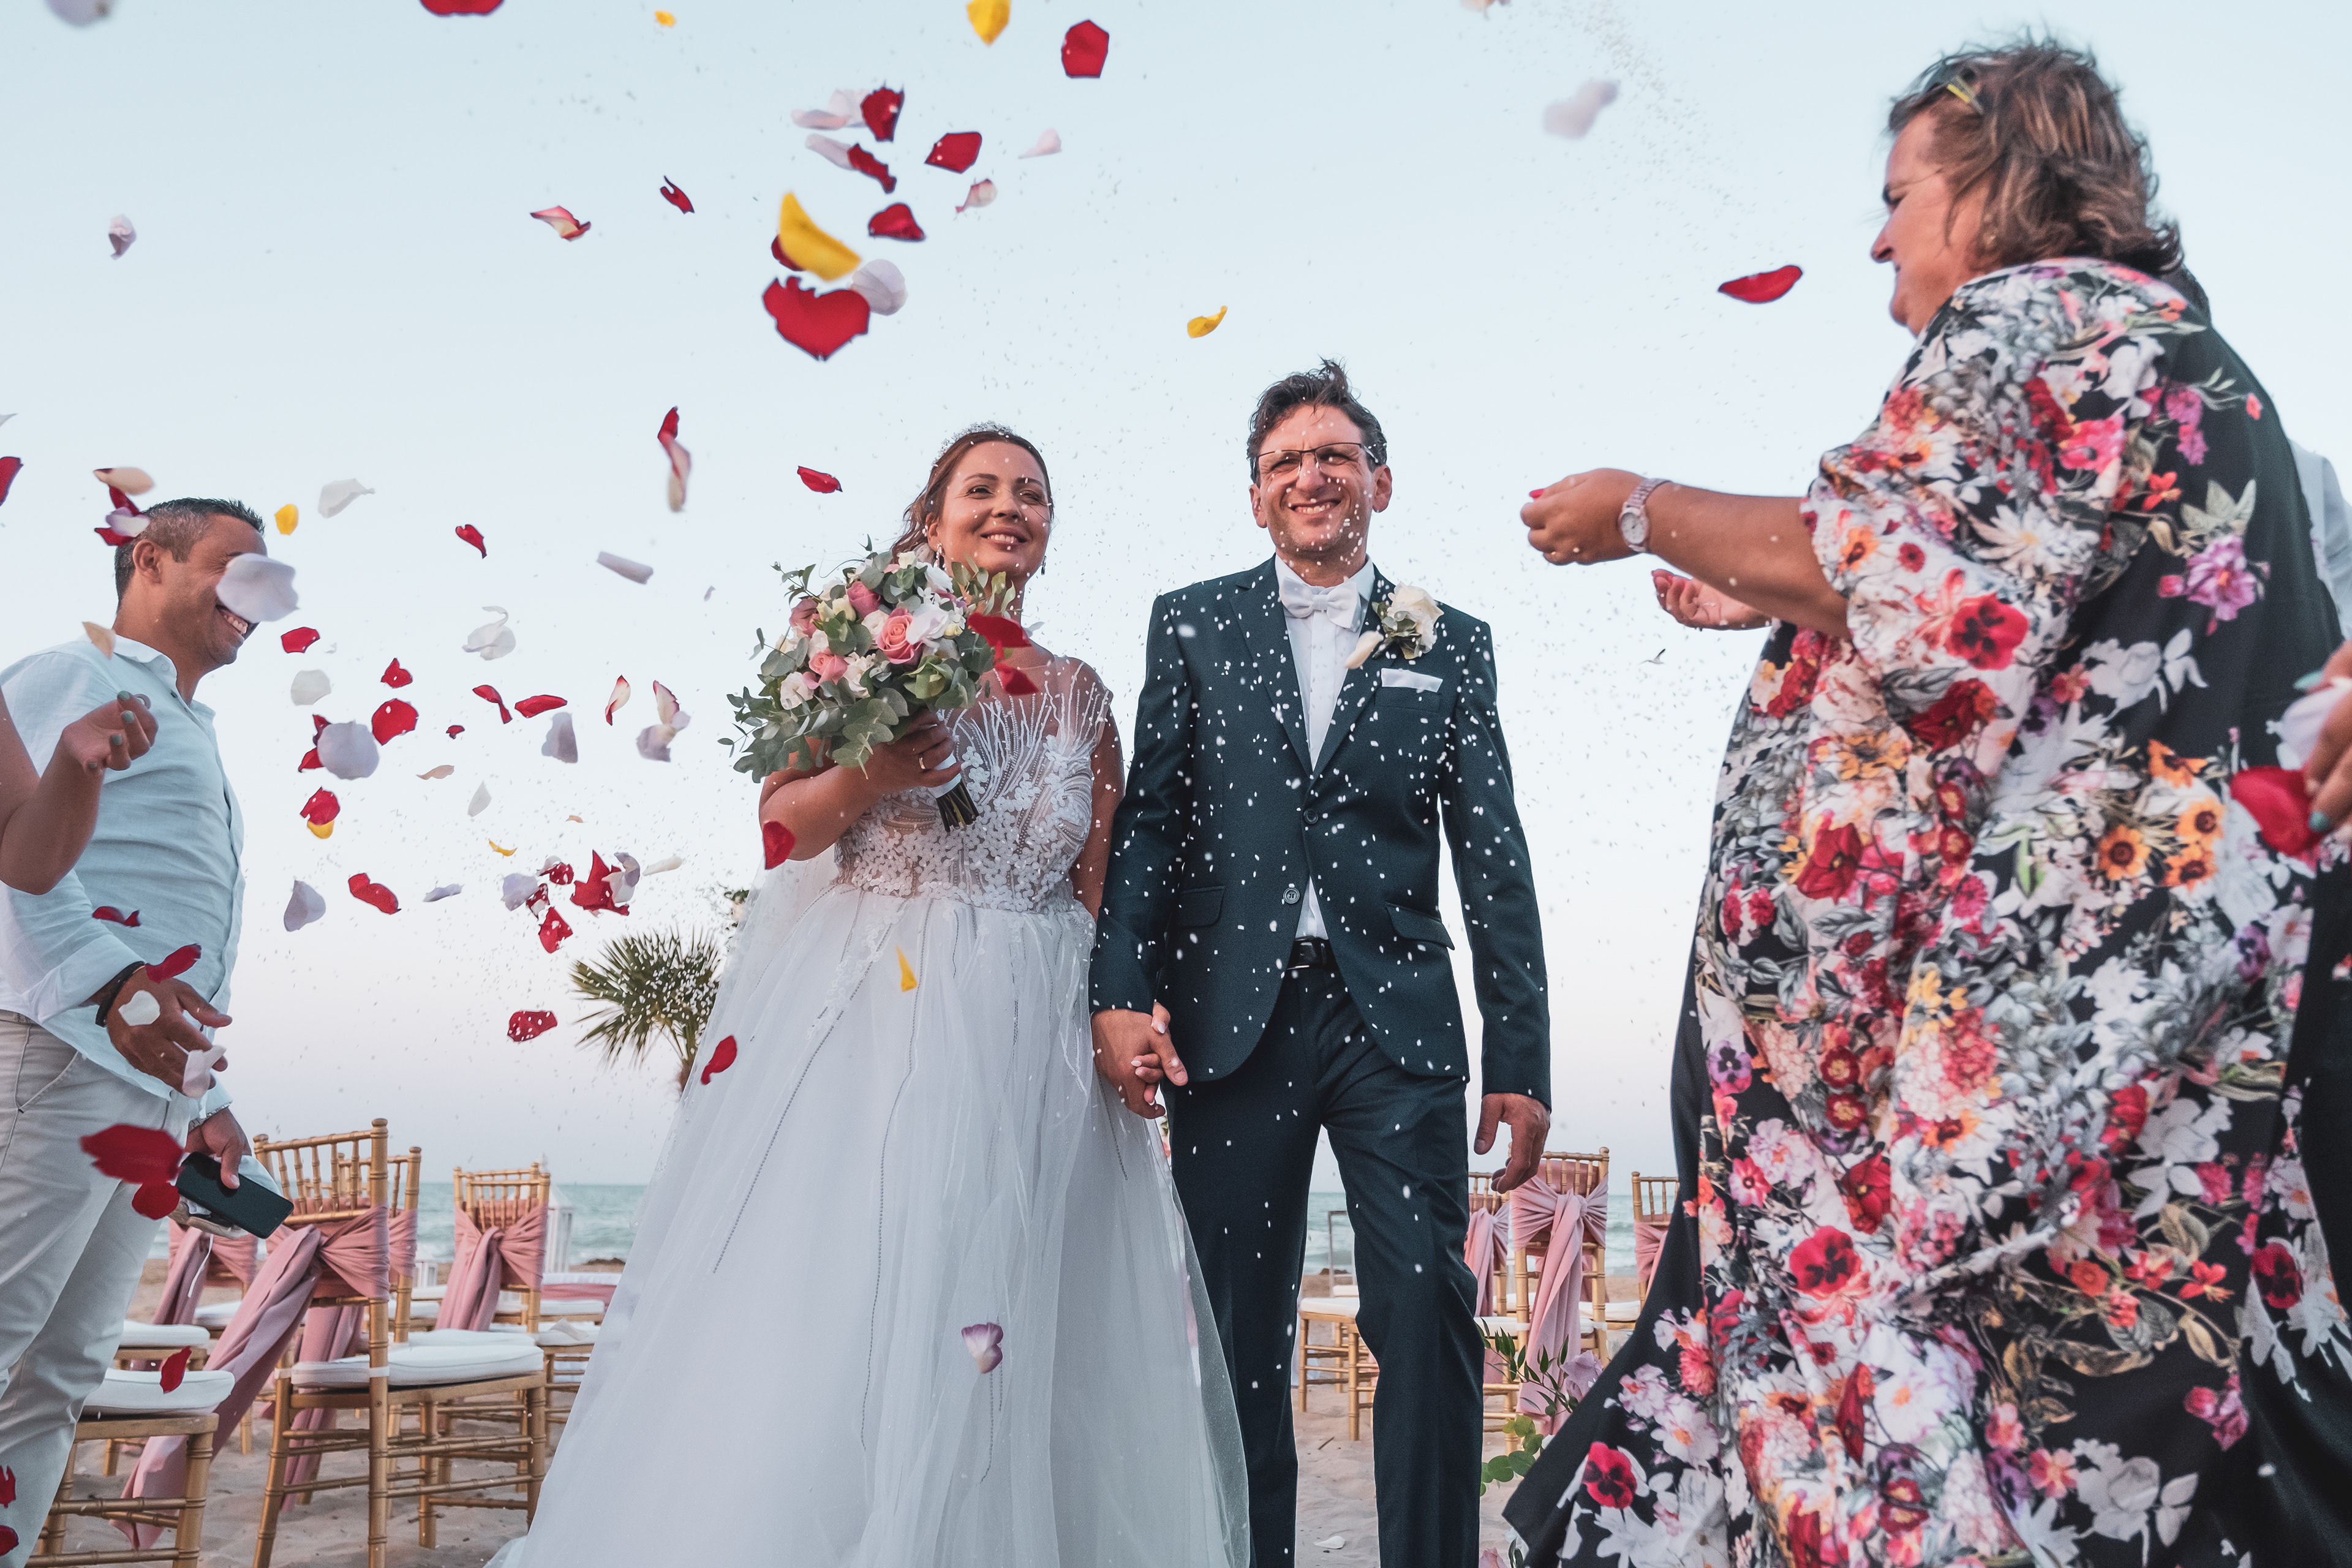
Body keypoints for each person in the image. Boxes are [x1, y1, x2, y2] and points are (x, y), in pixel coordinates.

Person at [1504, 39, 2345, 1566]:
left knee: (1929, 1410)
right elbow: (2010, 607)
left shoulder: (2033, 318)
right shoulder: (2169, 352)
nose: (1878, 238)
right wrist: (1781, 603)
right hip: (2141, 1021)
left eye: (1899, 196)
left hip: (1995, 1057)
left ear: (2000, 182)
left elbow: (1898, 578)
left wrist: (1639, 509)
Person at [499, 427, 1248, 1567]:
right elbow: (782, 829)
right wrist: (875, 771)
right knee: (871, 1292)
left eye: (1032, 495)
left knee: (1029, 1311)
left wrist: (1130, 1013)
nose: (1008, 508)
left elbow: (1102, 884)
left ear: (1050, 533)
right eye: (981, 489)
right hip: (885, 1011)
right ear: (931, 518)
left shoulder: (1083, 693)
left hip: (1040, 1035)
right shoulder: (852, 645)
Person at [1090, 361, 1553, 1568]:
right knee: (1238, 1333)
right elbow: (1149, 825)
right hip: (1229, 1023)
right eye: (1286, 461)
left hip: (1394, 1022)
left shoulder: (1449, 641)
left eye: (1334, 455)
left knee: (1427, 1304)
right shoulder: (1191, 622)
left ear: (1379, 482)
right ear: (1256, 497)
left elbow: (1492, 854)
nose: (1311, 475)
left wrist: (1521, 1053)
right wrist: (1119, 993)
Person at [0, 499, 265, 1565]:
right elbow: (13, 861)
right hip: (62, 1051)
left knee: (60, 1374)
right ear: (149, 561)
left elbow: (160, 914)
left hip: (145, 1081)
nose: (257, 598)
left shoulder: (191, 724)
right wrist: (110, 986)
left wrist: (204, 1097)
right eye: (234, 569)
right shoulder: (72, 675)